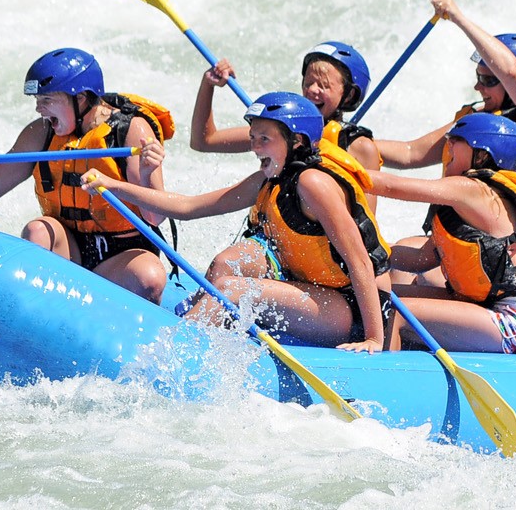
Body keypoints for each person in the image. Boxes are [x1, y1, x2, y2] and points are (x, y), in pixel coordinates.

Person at [85, 92, 393, 353]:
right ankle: (204, 333)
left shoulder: (314, 184)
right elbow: (188, 207)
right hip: (306, 286)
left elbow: (359, 261)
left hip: (344, 308)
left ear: (296, 141)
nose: (255, 147)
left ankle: (171, 353)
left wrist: (373, 339)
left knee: (230, 291)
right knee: (224, 266)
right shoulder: (269, 178)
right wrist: (114, 186)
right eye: (253, 139)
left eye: (264, 139)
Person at [377, 0, 516, 293]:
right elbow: (410, 153)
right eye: (478, 77)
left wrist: (458, 17)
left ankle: (427, 322)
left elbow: (511, 71)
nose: (478, 87)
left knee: (432, 276)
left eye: (487, 79)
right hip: (489, 240)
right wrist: (343, 144)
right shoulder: (481, 123)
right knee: (401, 258)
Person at [0, 48, 174, 303]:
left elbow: (155, 217)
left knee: (149, 278)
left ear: (80, 98)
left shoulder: (130, 131)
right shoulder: (41, 133)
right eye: (37, 100)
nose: (38, 109)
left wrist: (148, 173)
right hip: (68, 248)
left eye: (46, 100)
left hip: (124, 254)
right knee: (38, 231)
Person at [367, 114, 516, 355]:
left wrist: (338, 171)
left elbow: (391, 187)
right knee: (379, 297)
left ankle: (381, 380)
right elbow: (421, 259)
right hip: (491, 308)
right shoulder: (468, 203)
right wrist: (363, 251)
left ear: (481, 154)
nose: (447, 148)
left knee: (396, 312)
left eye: (455, 141)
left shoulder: (474, 189)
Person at [188, 42, 383, 170]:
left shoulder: (361, 148)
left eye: (324, 86)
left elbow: (365, 222)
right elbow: (203, 141)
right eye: (308, 83)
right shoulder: (280, 128)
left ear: (348, 95)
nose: (312, 91)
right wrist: (208, 85)